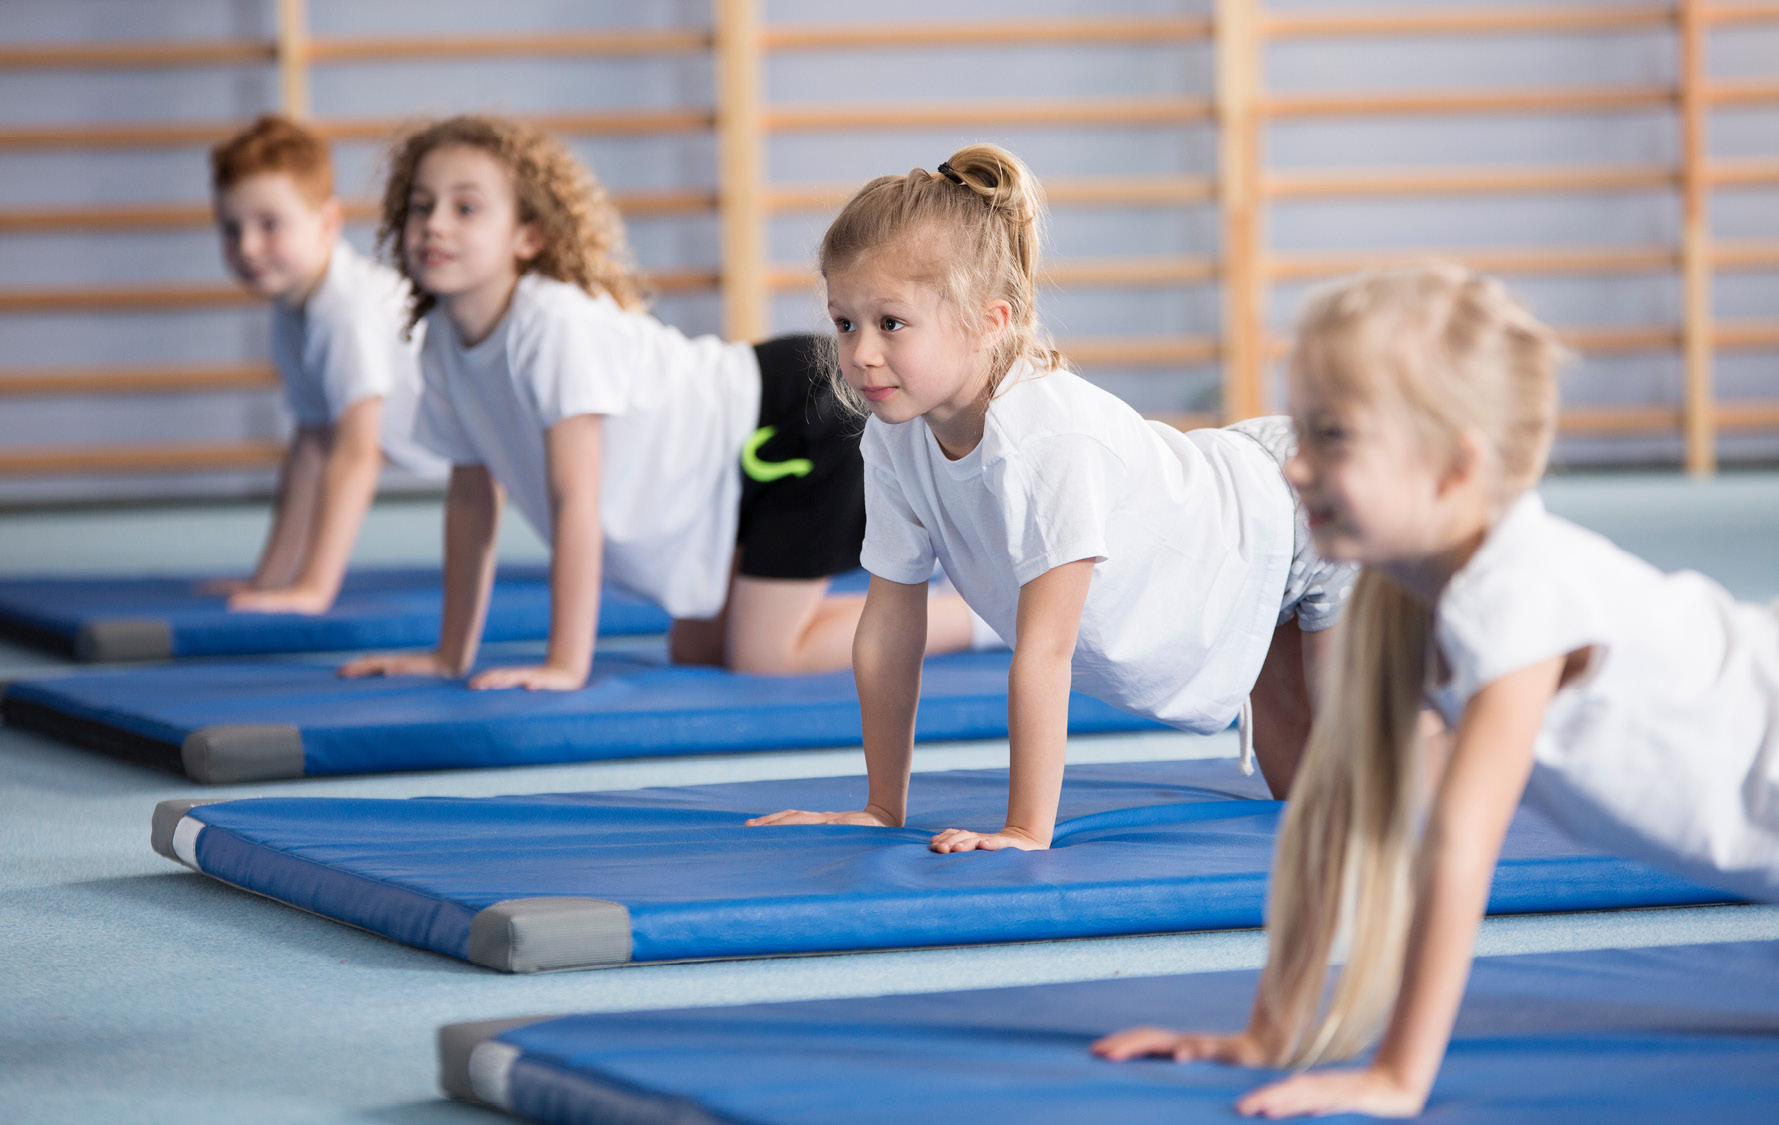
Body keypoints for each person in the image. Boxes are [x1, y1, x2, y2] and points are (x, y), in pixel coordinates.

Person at [1091, 264, 1779, 1117]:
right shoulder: (1396, 595)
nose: (1294, 468)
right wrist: (1270, 1030)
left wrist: (1397, 1074)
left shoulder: (1516, 593)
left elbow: (1458, 843)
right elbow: (1337, 811)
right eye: (1299, 432)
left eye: (1332, 437)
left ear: (1455, 467)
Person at [747, 144, 1354, 851]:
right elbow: (888, 627)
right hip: (1237, 550)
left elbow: (1045, 649)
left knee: (1364, 781)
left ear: (989, 321)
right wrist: (883, 806)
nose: (859, 354)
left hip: (1301, 509)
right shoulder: (892, 437)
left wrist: (1024, 828)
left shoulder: (1043, 440)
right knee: (1304, 806)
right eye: (844, 321)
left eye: (891, 322)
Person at [340, 115, 974, 691]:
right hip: (726, 475)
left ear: (528, 236)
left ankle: (975, 618)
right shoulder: (443, 343)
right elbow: (473, 497)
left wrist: (565, 663)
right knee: (698, 651)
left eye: (466, 208)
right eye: (421, 207)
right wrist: (450, 655)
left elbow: (575, 502)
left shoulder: (551, 324)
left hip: (793, 420)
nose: (436, 224)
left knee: (765, 655)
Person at [208, 114, 446, 613]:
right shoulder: (291, 310)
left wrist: (314, 589)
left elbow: (357, 455)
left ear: (327, 224)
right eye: (232, 228)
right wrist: (270, 580)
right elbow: (313, 445)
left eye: (270, 225)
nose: (248, 247)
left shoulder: (345, 314)